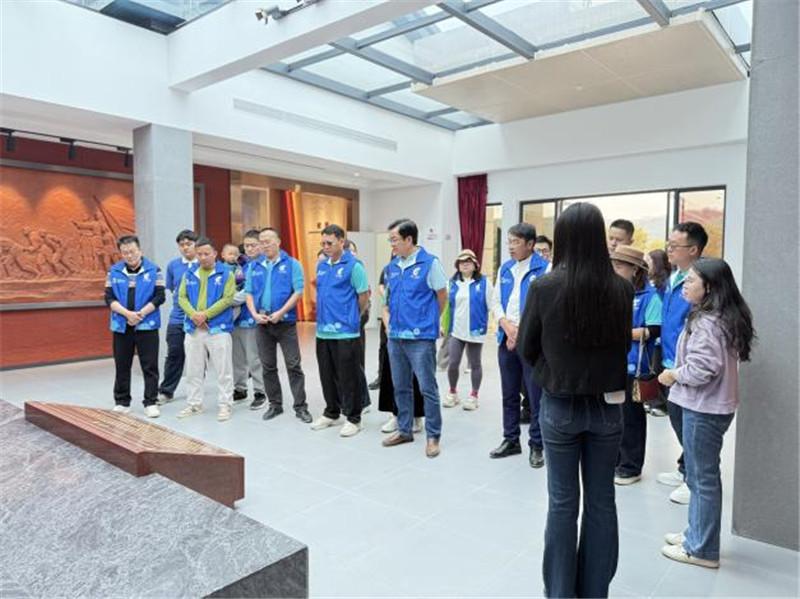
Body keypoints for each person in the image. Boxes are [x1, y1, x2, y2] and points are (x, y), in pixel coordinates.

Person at [519, 202, 632, 598]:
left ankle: (560, 592)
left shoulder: (544, 287)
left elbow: (527, 347)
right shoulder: (622, 288)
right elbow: (622, 346)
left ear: (562, 238)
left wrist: (553, 371)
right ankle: (595, 591)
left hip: (560, 405)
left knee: (562, 504)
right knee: (602, 502)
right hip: (608, 408)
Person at [658, 258, 754, 569]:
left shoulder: (707, 322)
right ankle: (696, 535)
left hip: (704, 408)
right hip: (712, 407)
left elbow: (702, 369)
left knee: (702, 479)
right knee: (704, 477)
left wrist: (673, 375)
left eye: (690, 281)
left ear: (709, 287)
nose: (684, 286)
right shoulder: (720, 316)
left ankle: (701, 549)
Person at [381, 219, 448, 458]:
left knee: (427, 388)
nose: (392, 245)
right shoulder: (392, 266)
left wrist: (430, 320)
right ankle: (404, 429)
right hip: (396, 336)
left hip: (421, 338)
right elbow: (388, 299)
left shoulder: (430, 264)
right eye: (390, 240)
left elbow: (442, 295)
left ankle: (433, 436)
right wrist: (389, 325)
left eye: (395, 240)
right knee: (400, 386)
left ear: (409, 239)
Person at [489, 223, 549, 468]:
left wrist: (519, 332)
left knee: (535, 396)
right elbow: (495, 301)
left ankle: (537, 445)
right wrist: (506, 326)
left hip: (532, 343)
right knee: (509, 393)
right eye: (509, 242)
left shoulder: (545, 269)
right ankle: (511, 439)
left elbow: (543, 308)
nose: (510, 247)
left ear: (530, 244)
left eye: (515, 242)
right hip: (506, 339)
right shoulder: (505, 268)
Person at [657, 222, 708, 505]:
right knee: (678, 420)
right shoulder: (674, 276)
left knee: (690, 425)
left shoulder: (702, 281)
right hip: (668, 359)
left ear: (693, 249)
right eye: (669, 244)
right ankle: (684, 468)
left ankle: (694, 480)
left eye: (675, 246)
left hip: (687, 366)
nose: (669, 250)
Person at [245, 227, 313, 423]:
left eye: (268, 241)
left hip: (285, 323)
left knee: (293, 365)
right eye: (262, 242)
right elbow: (248, 292)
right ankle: (275, 405)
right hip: (262, 323)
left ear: (278, 242)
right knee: (267, 366)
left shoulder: (292, 264)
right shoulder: (254, 266)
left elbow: (298, 291)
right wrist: (254, 314)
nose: (264, 245)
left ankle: (300, 407)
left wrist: (281, 313)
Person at [309, 225, 370, 437]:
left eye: (330, 243)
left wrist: (352, 315)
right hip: (323, 331)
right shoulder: (322, 266)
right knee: (327, 374)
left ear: (342, 242)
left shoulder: (355, 266)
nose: (325, 247)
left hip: (346, 331)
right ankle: (331, 412)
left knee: (348, 376)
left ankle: (354, 418)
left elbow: (363, 295)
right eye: (323, 243)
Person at [610, 246, 662, 485]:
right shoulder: (612, 292)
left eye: (619, 266)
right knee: (613, 415)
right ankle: (616, 460)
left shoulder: (649, 296)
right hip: (612, 363)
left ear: (635, 270)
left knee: (631, 418)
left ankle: (631, 467)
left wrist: (618, 333)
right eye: (613, 265)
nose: (614, 270)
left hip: (635, 365)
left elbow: (653, 330)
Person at [176, 237, 236, 422]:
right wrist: (194, 315)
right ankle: (194, 404)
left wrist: (206, 315)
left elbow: (228, 299)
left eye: (206, 254)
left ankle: (225, 404)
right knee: (193, 369)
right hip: (193, 328)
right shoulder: (189, 274)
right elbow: (181, 297)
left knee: (223, 370)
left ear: (215, 254)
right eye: (199, 254)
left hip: (218, 328)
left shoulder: (226, 274)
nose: (203, 257)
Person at [104, 235, 165, 417]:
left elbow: (160, 296)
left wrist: (140, 314)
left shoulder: (154, 270)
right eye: (125, 253)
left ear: (140, 251)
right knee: (122, 364)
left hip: (147, 324)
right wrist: (127, 314)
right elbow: (109, 298)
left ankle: (151, 402)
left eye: (132, 251)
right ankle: (122, 402)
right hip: (121, 325)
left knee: (150, 365)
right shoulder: (114, 271)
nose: (129, 256)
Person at [376, 257, 425, 434]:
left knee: (415, 376)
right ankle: (396, 415)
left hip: (414, 333)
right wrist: (388, 327)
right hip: (393, 333)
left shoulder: (422, 269)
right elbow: (385, 304)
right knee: (393, 375)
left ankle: (417, 416)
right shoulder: (390, 270)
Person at [441, 249, 492, 411]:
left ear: (475, 264)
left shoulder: (484, 283)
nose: (465, 264)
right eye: (461, 262)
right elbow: (446, 307)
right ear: (457, 265)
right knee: (453, 363)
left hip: (475, 330)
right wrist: (442, 324)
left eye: (468, 261)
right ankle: (453, 393)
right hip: (456, 330)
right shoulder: (451, 283)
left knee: (475, 363)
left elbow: (492, 305)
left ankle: (474, 396)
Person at [224, 235, 267, 410]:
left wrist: (226, 300)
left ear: (261, 246)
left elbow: (251, 292)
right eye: (247, 246)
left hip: (251, 318)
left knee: (254, 358)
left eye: (253, 245)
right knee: (237, 358)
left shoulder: (263, 265)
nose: (249, 249)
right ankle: (240, 389)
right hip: (235, 319)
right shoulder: (241, 265)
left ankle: (260, 392)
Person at [158, 229, 198, 404]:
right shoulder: (173, 265)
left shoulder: (203, 263)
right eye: (182, 245)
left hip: (199, 318)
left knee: (198, 357)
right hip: (177, 318)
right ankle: (166, 391)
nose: (185, 247)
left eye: (189, 244)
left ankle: (196, 392)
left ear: (196, 245)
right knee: (174, 353)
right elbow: (172, 289)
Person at [644, 248, 670, 417]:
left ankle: (660, 403)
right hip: (657, 336)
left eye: (649, 261)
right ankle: (653, 400)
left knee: (658, 369)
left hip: (661, 334)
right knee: (654, 368)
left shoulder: (663, 286)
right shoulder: (650, 283)